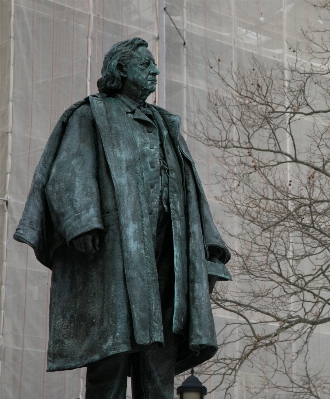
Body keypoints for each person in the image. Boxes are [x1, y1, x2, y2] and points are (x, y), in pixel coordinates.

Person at [14, 37, 232, 399]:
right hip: (114, 255)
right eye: (145, 65)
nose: (155, 70)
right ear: (120, 70)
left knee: (159, 358)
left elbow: (193, 193)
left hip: (167, 255)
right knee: (111, 353)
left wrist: (208, 248)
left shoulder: (166, 125)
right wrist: (81, 221)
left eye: (153, 65)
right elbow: (68, 172)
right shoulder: (91, 115)